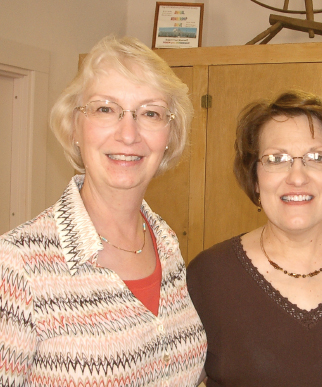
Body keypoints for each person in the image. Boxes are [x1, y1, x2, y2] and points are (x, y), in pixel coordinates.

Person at [0, 36, 206, 386]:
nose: (129, 134)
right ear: (74, 127)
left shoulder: (166, 242)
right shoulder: (16, 267)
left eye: (150, 113)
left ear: (170, 135)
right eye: (105, 109)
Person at [186, 90, 322, 386]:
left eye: (317, 158)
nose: (297, 177)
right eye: (276, 159)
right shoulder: (208, 275)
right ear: (255, 177)